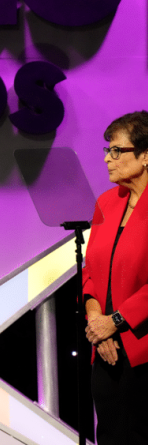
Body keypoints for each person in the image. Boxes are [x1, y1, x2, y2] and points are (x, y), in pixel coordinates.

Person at [83, 111, 148, 445]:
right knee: (109, 435)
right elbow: (90, 271)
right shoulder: (108, 202)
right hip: (105, 348)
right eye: (107, 150)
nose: (108, 158)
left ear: (145, 155)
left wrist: (117, 322)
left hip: (143, 347)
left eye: (117, 151)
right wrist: (97, 321)